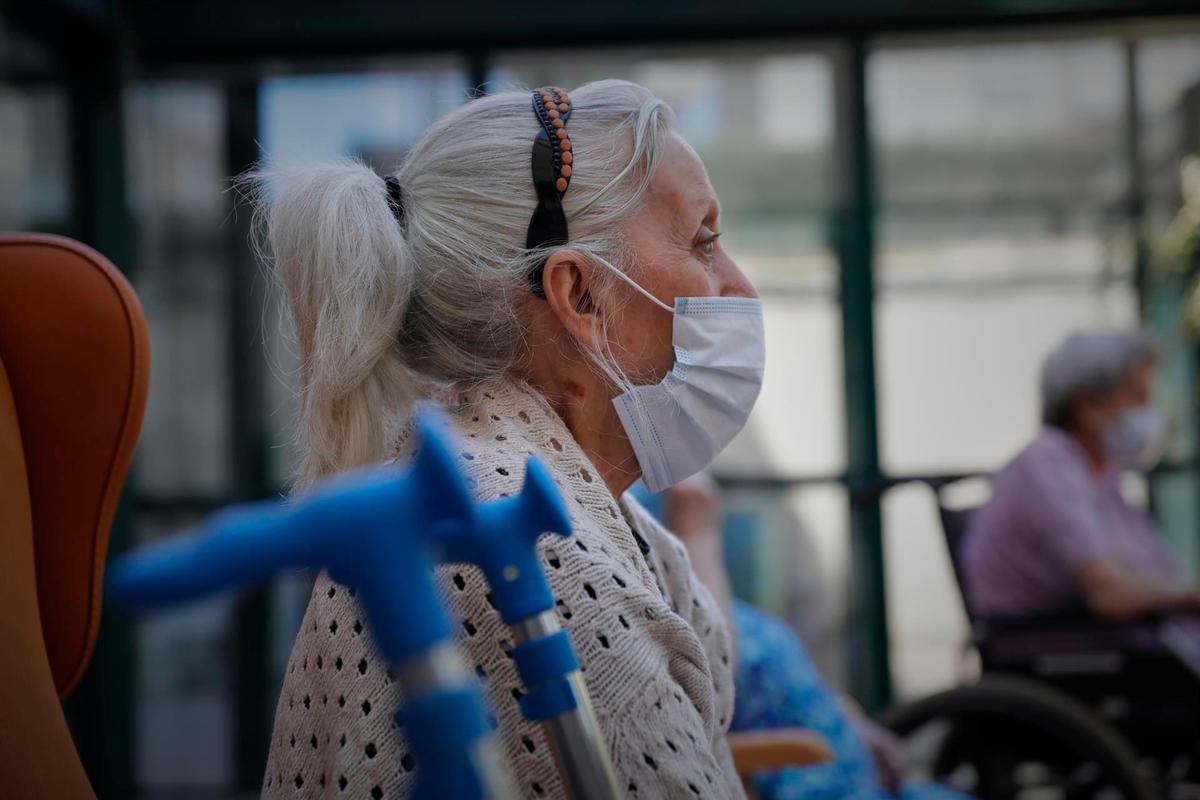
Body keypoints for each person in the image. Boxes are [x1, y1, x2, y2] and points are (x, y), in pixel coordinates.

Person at [250, 81, 765, 798]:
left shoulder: (536, 496)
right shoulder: (520, 543)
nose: (738, 288)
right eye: (703, 241)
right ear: (581, 295)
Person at [663, 476, 970, 800]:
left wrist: (854, 726)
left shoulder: (711, 592)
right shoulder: (680, 598)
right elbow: (714, 668)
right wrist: (697, 532)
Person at [963, 331, 1200, 623]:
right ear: (1087, 405)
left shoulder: (1098, 473)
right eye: (1137, 396)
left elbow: (1152, 572)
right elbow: (1110, 594)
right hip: (1066, 653)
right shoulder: (1048, 464)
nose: (1150, 410)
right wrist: (1188, 594)